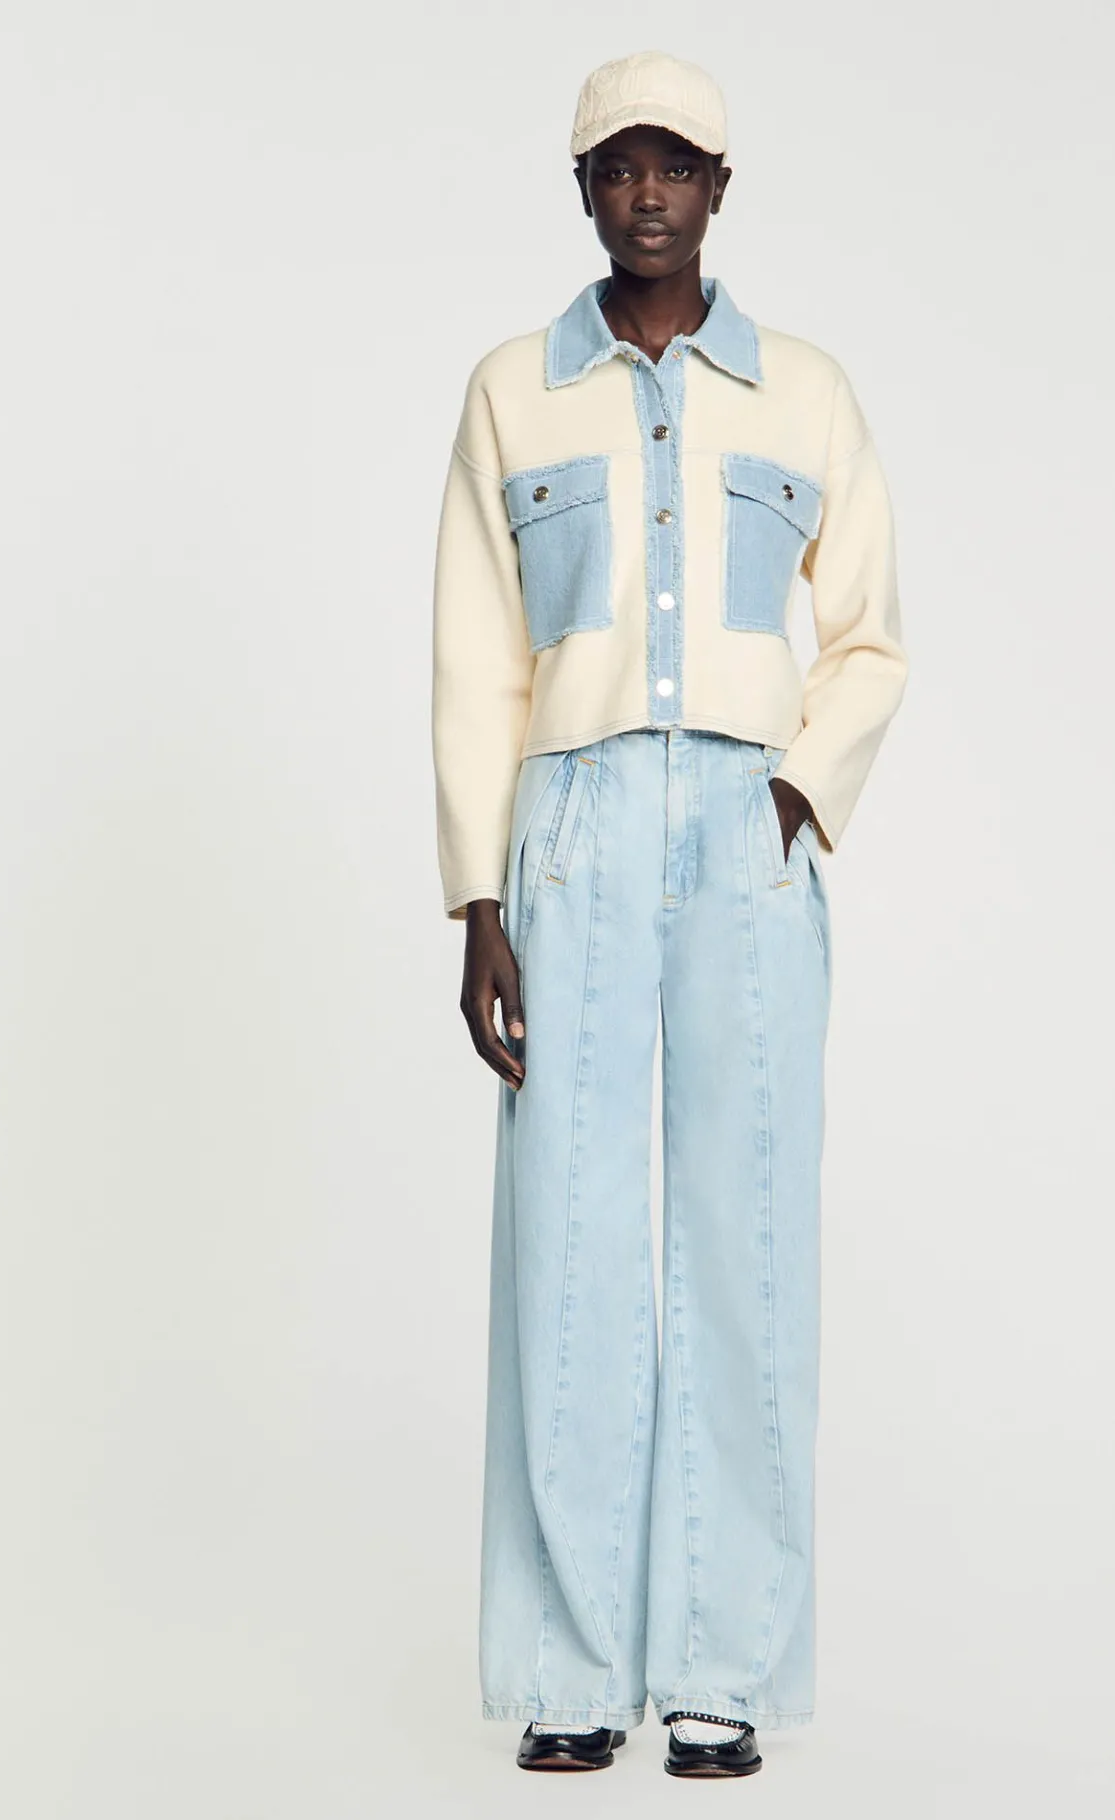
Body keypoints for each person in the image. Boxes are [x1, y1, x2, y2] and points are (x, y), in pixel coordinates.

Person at [429, 48, 908, 1779]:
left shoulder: (806, 393)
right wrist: (480, 895)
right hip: (569, 834)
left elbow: (870, 636)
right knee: (567, 1235)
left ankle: (721, 1665)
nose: (648, 195)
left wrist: (796, 791)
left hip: (740, 828)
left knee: (746, 1235)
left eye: (676, 167)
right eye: (618, 168)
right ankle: (570, 1665)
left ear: (719, 188)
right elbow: (476, 657)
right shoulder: (512, 392)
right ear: (582, 190)